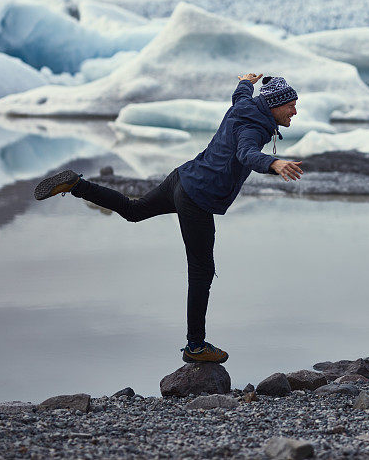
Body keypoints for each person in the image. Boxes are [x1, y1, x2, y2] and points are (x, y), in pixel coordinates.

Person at [32, 73, 304, 364]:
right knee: (202, 271)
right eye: (291, 105)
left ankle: (76, 185)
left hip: (181, 179)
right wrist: (273, 162)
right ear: (274, 104)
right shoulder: (253, 127)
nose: (295, 112)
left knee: (133, 211)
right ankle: (196, 346)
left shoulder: (244, 107)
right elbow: (246, 153)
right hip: (197, 197)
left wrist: (246, 81)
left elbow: (239, 95)